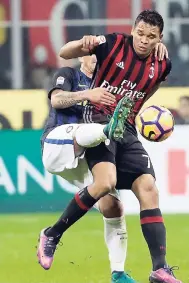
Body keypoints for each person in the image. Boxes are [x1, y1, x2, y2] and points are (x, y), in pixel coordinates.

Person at [37, 9, 180, 283]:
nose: (144, 40)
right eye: (140, 33)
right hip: (99, 119)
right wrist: (82, 44)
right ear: (132, 30)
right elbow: (66, 52)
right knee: (105, 183)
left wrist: (137, 113)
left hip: (126, 127)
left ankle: (159, 268)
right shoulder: (113, 43)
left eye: (151, 37)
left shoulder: (162, 64)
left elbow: (147, 90)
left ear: (160, 38)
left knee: (148, 188)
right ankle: (52, 233)